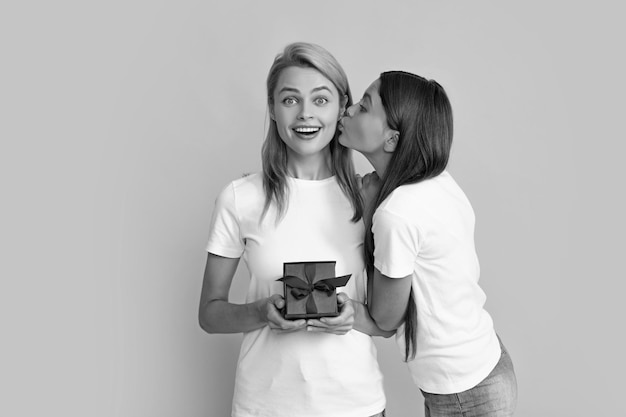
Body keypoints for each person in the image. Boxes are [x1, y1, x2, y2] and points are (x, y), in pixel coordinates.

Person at [198, 42, 388, 417]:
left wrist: (353, 315)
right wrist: (260, 312)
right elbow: (209, 313)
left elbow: (388, 323)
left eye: (320, 100)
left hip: (355, 406)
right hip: (264, 406)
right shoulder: (240, 199)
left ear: (341, 107)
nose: (305, 114)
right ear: (272, 107)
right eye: (290, 100)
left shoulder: (368, 198)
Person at [338, 71, 518, 416]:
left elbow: (385, 319)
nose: (349, 108)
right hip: (483, 369)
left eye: (365, 105)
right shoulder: (437, 182)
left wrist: (334, 312)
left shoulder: (397, 213)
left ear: (391, 139)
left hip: (465, 391)